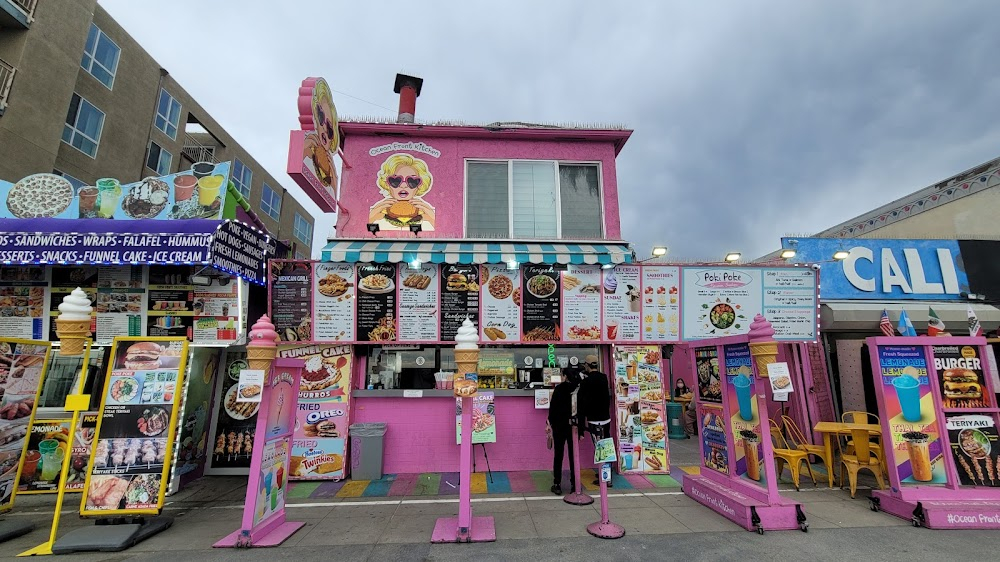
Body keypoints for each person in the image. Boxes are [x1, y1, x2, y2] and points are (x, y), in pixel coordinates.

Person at [579, 354, 613, 486]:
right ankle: (606, 473)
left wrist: (581, 426)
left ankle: (606, 479)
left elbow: (582, 403)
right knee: (606, 447)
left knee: (599, 448)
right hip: (605, 418)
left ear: (587, 366)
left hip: (594, 420)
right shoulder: (604, 378)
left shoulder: (586, 382)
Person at [548, 367, 581, 495]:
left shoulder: (559, 389)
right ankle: (574, 484)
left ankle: (557, 483)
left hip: (559, 426)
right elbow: (581, 409)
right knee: (574, 456)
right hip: (574, 427)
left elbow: (553, 409)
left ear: (565, 376)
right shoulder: (578, 389)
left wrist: (551, 422)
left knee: (559, 455)